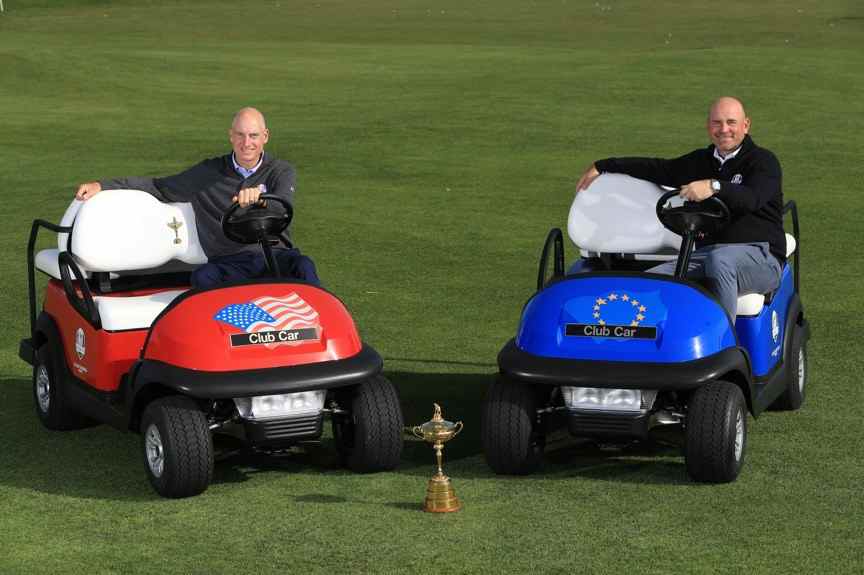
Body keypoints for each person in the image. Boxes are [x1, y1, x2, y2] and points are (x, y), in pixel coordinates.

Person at [575, 96, 784, 319]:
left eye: (731, 122)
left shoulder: (763, 161)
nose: (724, 129)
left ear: (746, 125)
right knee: (650, 282)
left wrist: (714, 186)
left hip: (762, 257)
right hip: (708, 255)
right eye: (717, 123)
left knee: (720, 261)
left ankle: (724, 343)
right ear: (708, 126)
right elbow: (658, 168)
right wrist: (604, 165)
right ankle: (654, 350)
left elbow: (752, 198)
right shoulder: (700, 162)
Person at [75, 107, 320, 288]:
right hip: (230, 261)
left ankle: (320, 338)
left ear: (265, 136)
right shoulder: (208, 172)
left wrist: (260, 199)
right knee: (203, 278)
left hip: (274, 256)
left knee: (304, 266)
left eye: (254, 136)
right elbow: (159, 187)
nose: (247, 143)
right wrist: (103, 185)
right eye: (241, 135)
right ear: (231, 136)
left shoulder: (280, 170)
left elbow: (280, 210)